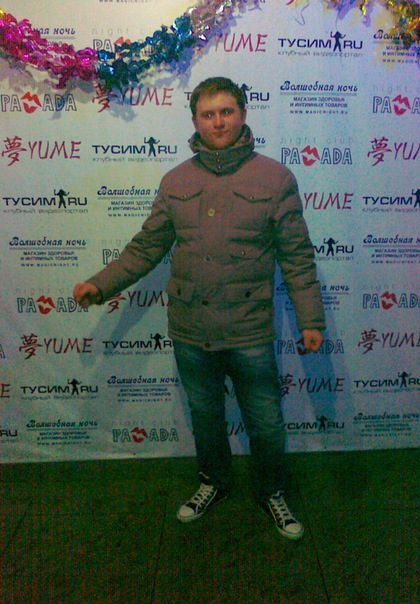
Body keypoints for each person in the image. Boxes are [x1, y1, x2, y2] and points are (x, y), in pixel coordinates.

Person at [73, 77, 325, 540]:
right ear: (195, 121)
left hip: (249, 330)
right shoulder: (176, 181)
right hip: (191, 330)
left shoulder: (275, 178)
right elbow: (146, 248)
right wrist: (100, 284)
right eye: (208, 115)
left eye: (226, 112)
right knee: (206, 417)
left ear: (243, 114)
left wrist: (310, 320)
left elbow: (297, 256)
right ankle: (213, 481)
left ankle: (271, 490)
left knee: (266, 421)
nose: (218, 122)